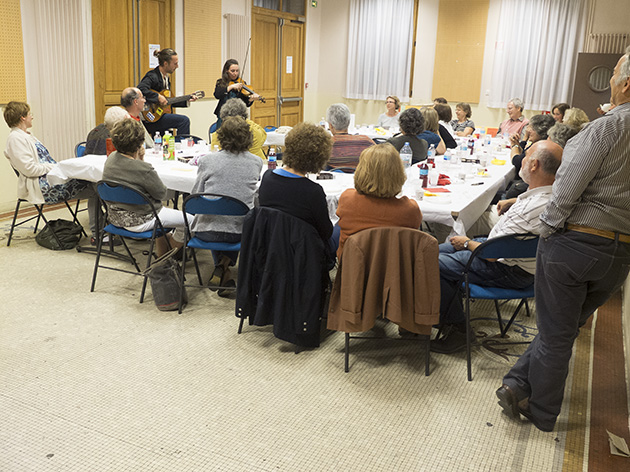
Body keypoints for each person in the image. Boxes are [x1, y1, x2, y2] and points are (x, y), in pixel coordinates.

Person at [496, 46, 630, 433]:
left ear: (627, 84)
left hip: (577, 244)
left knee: (556, 335)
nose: (608, 83)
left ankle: (541, 412)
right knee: (562, 328)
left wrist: (548, 232)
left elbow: (564, 192)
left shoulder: (605, 129)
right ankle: (517, 383)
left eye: (614, 76)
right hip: (619, 255)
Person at [432, 140, 563, 354]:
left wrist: (466, 242)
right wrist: (513, 201)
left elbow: (492, 255)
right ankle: (443, 311)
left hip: (507, 269)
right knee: (437, 250)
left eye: (526, 156)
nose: (521, 160)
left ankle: (458, 330)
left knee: (429, 262)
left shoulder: (530, 208)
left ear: (534, 165)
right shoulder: (555, 195)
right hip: (523, 264)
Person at [3, 101, 100, 244]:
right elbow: (29, 169)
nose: (32, 117)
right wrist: (52, 167)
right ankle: (99, 234)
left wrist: (57, 168)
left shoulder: (26, 135)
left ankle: (101, 230)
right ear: (22, 117)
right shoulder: (15, 139)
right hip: (43, 187)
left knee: (92, 182)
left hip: (49, 179)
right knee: (95, 186)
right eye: (29, 114)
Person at [191, 116, 262, 295]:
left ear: (221, 136)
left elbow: (195, 197)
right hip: (240, 234)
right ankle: (224, 268)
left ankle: (222, 268)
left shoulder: (207, 161)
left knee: (215, 215)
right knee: (241, 216)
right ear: (248, 138)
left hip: (206, 232)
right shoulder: (255, 162)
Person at [101, 119, 193, 257]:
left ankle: (163, 252)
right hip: (142, 219)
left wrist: (139, 159)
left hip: (116, 217)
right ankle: (168, 256)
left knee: (164, 218)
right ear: (139, 143)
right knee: (191, 221)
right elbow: (161, 193)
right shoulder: (143, 169)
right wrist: (142, 161)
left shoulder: (111, 159)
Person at [258, 122, 336, 266]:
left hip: (272, 250)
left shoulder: (267, 178)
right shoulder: (313, 191)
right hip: (304, 256)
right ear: (319, 157)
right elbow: (326, 232)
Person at [336, 143, 422, 258]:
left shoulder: (347, 199)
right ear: (398, 173)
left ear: (361, 170)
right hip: (393, 269)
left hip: (352, 267)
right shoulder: (410, 210)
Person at [137, 48, 195, 137]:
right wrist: (157, 97)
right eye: (175, 64)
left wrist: (187, 100)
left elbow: (167, 101)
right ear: (165, 63)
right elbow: (140, 89)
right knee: (184, 120)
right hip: (151, 117)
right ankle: (183, 146)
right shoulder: (152, 76)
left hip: (161, 115)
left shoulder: (166, 79)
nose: (177, 66)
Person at [325, 103, 374, 171]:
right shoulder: (366, 142)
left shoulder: (325, 145)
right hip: (361, 180)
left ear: (330, 125)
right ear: (348, 122)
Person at [213, 59, 260, 127]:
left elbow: (246, 103)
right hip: (223, 116)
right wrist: (231, 87)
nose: (235, 73)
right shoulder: (221, 82)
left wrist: (250, 100)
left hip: (238, 117)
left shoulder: (242, 83)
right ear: (227, 71)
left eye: (237, 71)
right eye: (232, 71)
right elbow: (217, 95)